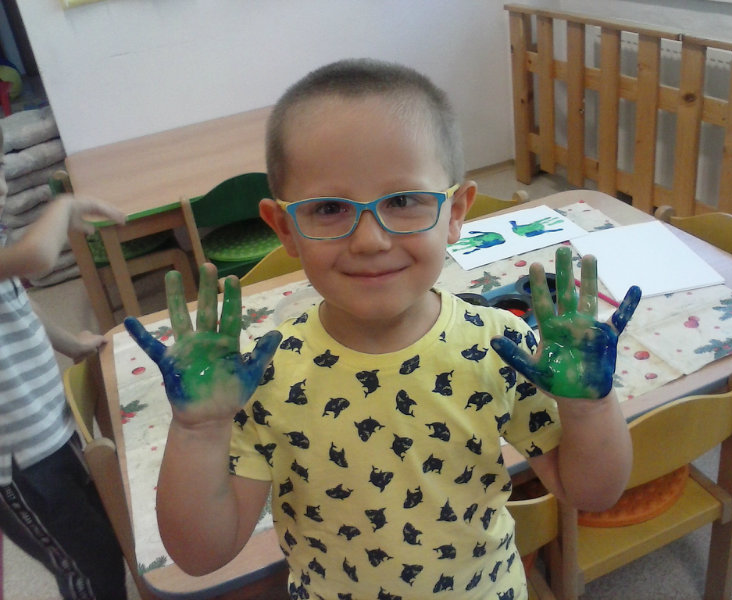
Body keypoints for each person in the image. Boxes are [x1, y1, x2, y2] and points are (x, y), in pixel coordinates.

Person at [125, 58, 641, 599]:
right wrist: (198, 431)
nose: (370, 240)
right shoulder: (262, 376)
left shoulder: (500, 346)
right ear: (285, 229)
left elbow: (592, 493)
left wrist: (590, 408)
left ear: (455, 212)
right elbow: (201, 555)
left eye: (401, 201)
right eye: (329, 208)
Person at [0, 125, 129, 600]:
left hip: (46, 427)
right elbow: (35, 257)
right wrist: (64, 206)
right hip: (17, 463)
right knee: (86, 566)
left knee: (103, 540)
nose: (0, 186)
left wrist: (70, 344)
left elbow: (18, 303)